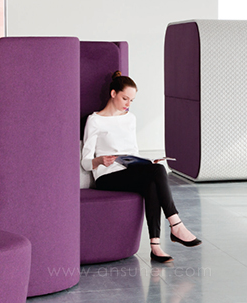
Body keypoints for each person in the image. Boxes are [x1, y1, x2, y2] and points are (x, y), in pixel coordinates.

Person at [81, 71, 201, 264]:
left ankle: (155, 246)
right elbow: (85, 161)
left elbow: (133, 151)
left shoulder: (130, 118)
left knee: (152, 181)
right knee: (158, 172)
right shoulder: (95, 120)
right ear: (113, 93)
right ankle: (176, 224)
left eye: (131, 100)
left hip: (129, 170)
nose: (128, 104)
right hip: (107, 176)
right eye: (125, 98)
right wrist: (99, 160)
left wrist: (145, 162)